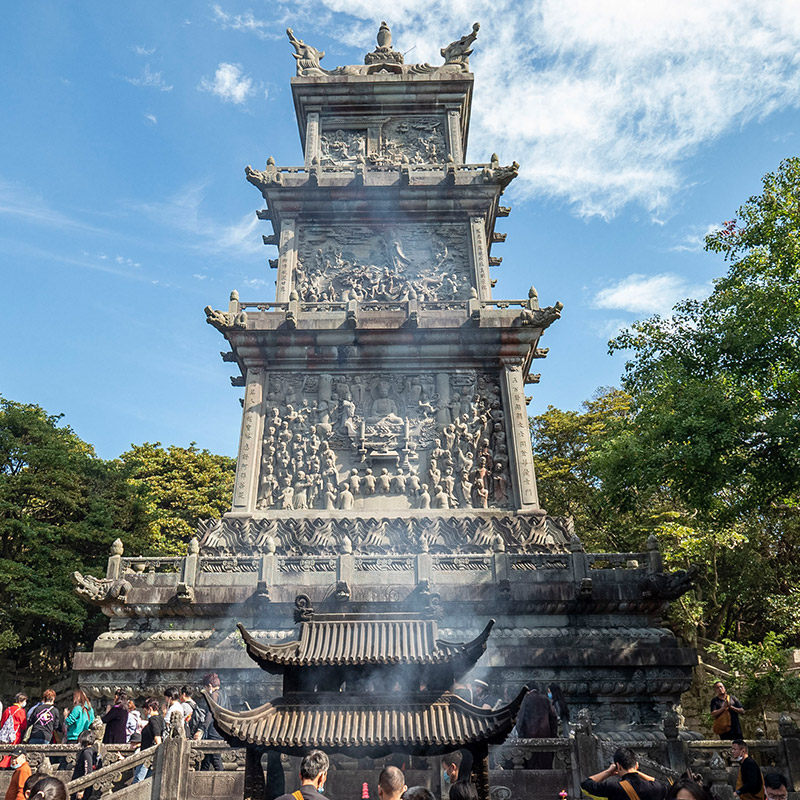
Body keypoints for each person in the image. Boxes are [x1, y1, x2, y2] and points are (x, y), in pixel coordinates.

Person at [580, 747, 667, 800]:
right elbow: (665, 786)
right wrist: (637, 772)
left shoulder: (613, 788)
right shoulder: (655, 788)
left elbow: (585, 785)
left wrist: (608, 772)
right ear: (636, 765)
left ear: (618, 766)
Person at [516, 686, 557, 768]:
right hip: (545, 735)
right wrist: (553, 735)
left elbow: (521, 719)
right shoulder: (545, 699)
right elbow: (553, 718)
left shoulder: (526, 700)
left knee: (531, 764)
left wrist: (521, 736)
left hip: (529, 736)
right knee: (545, 764)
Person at [195, 673, 225, 771]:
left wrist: (201, 729)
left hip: (214, 731)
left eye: (206, 688)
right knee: (206, 761)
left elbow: (210, 713)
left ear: (210, 686)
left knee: (216, 759)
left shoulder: (214, 695)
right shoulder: (224, 694)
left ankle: (223, 782)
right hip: (221, 730)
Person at [133, 699, 164, 784]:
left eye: (145, 711)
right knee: (147, 780)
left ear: (150, 709)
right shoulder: (161, 719)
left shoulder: (153, 719)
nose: (145, 713)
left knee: (138, 779)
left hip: (147, 755)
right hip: (151, 755)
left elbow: (157, 736)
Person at [0, 694, 28, 768]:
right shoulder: (21, 711)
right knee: (13, 751)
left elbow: (2, 722)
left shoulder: (7, 709)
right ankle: (10, 766)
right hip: (15, 735)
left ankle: (2, 765)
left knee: (4, 752)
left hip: (4, 735)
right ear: (22, 701)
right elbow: (23, 725)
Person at [70, 730, 98, 800]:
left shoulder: (87, 752)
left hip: (82, 786)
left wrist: (82, 789)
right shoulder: (91, 751)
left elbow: (88, 771)